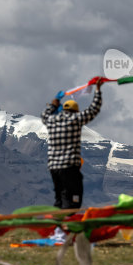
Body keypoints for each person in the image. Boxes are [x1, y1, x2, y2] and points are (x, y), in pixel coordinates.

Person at [41, 78, 103, 210]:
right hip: (69, 167)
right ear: (75, 111)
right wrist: (97, 90)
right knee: (74, 198)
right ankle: (67, 222)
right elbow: (93, 110)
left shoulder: (51, 120)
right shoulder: (75, 119)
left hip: (53, 168)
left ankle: (58, 225)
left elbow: (44, 114)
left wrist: (54, 104)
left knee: (60, 197)